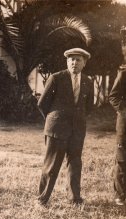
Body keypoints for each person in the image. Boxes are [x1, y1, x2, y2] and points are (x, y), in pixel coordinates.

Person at [37, 48, 94, 206]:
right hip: (57, 129)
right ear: (67, 61)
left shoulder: (88, 81)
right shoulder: (56, 78)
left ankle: (74, 199)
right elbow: (42, 104)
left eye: (78, 60)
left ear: (84, 63)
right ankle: (42, 199)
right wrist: (55, 119)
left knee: (75, 163)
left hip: (77, 129)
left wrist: (77, 119)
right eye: (71, 59)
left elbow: (89, 106)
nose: (74, 62)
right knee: (52, 165)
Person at [108, 52, 126, 206]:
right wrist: (124, 111)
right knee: (122, 159)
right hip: (125, 123)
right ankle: (120, 194)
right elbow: (113, 96)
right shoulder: (123, 72)